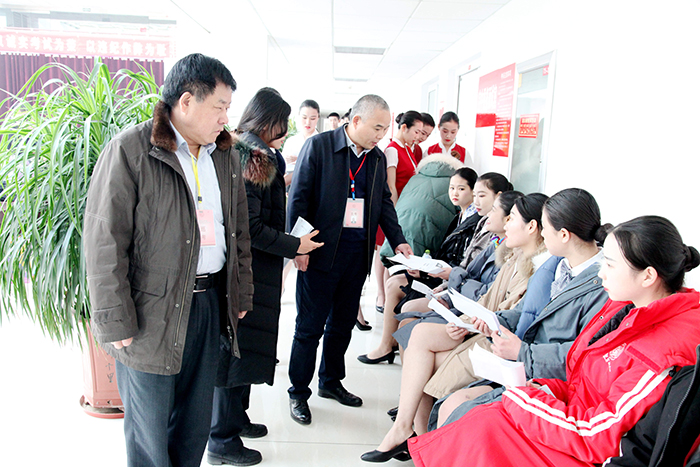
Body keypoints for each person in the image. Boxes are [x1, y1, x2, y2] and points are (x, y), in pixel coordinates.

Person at [407, 216, 700, 467]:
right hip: (565, 413)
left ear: (648, 276)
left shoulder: (661, 351)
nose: (601, 273)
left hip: (582, 443)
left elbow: (597, 435)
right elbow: (583, 379)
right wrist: (541, 389)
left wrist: (524, 396)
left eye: (610, 265)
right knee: (475, 420)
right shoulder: (628, 308)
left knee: (479, 428)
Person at [84, 53, 253, 467]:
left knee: (194, 424)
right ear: (187, 101)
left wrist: (241, 292)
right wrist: (114, 318)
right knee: (150, 431)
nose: (225, 118)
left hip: (209, 303)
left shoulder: (224, 156)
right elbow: (104, 240)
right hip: (150, 310)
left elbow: (238, 231)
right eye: (220, 106)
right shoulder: (131, 150)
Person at [360, 193, 548, 463]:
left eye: (512, 218)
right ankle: (413, 434)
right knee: (417, 335)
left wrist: (467, 319)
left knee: (421, 351)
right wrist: (463, 319)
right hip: (480, 326)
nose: (506, 223)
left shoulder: (536, 268)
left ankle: (410, 434)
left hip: (495, 341)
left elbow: (509, 314)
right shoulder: (514, 255)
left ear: (532, 227)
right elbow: (489, 299)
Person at [431, 188, 611, 431]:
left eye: (545, 227)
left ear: (564, 235)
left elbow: (585, 354)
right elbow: (526, 311)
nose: (542, 233)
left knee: (458, 408)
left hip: (552, 382)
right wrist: (494, 321)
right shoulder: (555, 266)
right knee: (452, 404)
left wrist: (523, 352)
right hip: (526, 366)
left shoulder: (602, 286)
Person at [207, 88, 323, 466]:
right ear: (266, 120)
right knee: (235, 355)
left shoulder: (255, 151)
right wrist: (295, 245)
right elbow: (251, 227)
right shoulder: (252, 157)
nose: (286, 131)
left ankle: (236, 420)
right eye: (282, 123)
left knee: (247, 350)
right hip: (248, 271)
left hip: (257, 270)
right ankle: (221, 441)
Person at [286, 94, 412, 425]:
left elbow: (383, 202)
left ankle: (330, 382)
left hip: (356, 256)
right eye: (377, 128)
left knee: (342, 325)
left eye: (385, 129)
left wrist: (398, 240)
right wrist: (298, 247)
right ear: (355, 121)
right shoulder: (320, 147)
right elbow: (298, 199)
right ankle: (298, 392)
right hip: (320, 253)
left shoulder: (376, 158)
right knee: (309, 328)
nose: (381, 135)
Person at [358, 166, 476, 365]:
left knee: (395, 285)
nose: (454, 193)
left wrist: (429, 272)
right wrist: (424, 268)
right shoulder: (459, 216)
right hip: (440, 274)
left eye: (461, 189)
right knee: (393, 282)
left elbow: (462, 264)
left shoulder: (473, 222)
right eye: (451, 188)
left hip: (449, 282)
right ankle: (387, 345)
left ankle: (387, 346)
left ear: (473, 191)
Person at [282, 99, 320, 186]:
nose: (308, 122)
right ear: (299, 116)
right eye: (304, 118)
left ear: (318, 118)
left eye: (312, 118)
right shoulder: (291, 141)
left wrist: (299, 161)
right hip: (290, 186)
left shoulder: (322, 142)